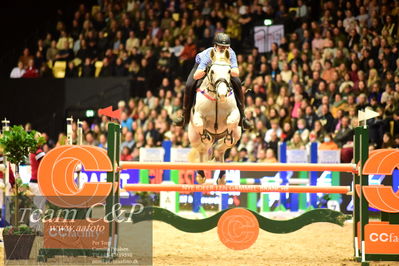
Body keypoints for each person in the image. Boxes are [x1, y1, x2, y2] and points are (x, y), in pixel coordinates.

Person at [173, 32, 252, 130]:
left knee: (238, 84)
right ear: (215, 46)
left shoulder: (231, 53)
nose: (223, 50)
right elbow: (196, 75)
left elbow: (236, 72)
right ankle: (184, 116)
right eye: (220, 47)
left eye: (226, 47)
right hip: (201, 68)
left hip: (223, 70)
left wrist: (224, 69)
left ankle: (243, 117)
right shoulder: (208, 54)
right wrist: (208, 69)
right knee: (189, 85)